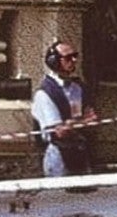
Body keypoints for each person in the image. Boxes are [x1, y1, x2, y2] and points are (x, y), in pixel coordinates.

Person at [31, 38, 100, 176]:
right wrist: (82, 123)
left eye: (75, 56)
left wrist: (74, 124)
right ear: (54, 61)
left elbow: (93, 119)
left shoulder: (79, 88)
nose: (73, 60)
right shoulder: (44, 94)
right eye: (68, 58)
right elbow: (60, 132)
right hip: (59, 155)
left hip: (80, 151)